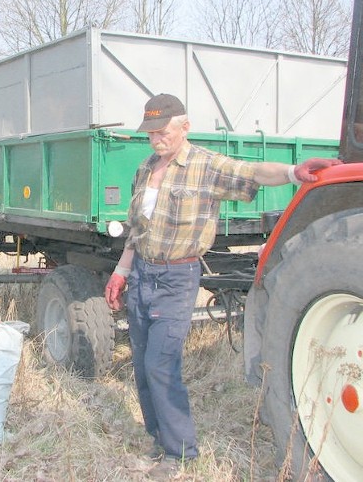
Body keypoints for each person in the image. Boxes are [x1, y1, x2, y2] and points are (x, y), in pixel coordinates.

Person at [104, 94, 341, 477]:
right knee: (143, 363)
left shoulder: (205, 166)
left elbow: (252, 173)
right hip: (143, 274)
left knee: (161, 365)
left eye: (162, 132)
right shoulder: (146, 169)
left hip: (177, 278)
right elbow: (137, 230)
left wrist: (296, 171)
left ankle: (180, 453)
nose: (155, 140)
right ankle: (158, 440)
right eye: (150, 133)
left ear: (185, 127)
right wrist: (121, 271)